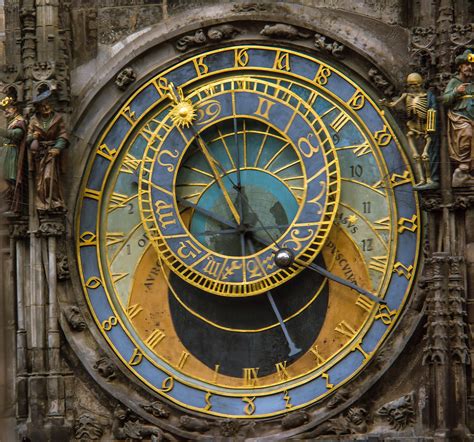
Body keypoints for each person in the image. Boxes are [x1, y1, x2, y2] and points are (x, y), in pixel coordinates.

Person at [380, 73, 439, 190]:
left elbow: (432, 110)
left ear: (420, 84)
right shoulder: (406, 95)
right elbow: (393, 104)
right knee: (416, 156)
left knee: (425, 156)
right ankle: (422, 180)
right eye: (411, 86)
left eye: (415, 85)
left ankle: (429, 179)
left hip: (426, 127)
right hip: (413, 126)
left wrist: (430, 127)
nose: (413, 88)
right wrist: (385, 104)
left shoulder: (428, 96)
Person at [28, 90, 68, 211]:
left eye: (47, 104)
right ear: (38, 108)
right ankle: (43, 203)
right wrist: (33, 137)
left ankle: (55, 201)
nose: (46, 107)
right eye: (42, 106)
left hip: (52, 153)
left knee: (49, 177)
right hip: (39, 154)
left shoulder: (57, 118)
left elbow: (63, 135)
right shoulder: (33, 120)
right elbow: (27, 138)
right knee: (40, 181)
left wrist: (57, 148)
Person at [442, 48, 474, 187]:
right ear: (460, 66)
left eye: (472, 65)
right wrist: (456, 92)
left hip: (472, 117)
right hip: (460, 118)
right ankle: (462, 170)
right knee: (466, 135)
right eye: (467, 64)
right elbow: (444, 100)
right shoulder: (455, 82)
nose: (470, 67)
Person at [0, 96, 27, 214]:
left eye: (8, 108)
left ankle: (10, 204)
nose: (6, 110)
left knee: (9, 179)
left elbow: (16, 135)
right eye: (4, 109)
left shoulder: (19, 121)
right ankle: (5, 203)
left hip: (12, 154)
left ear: (15, 109)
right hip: (5, 152)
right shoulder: (11, 122)